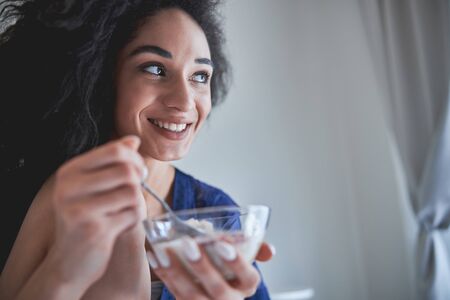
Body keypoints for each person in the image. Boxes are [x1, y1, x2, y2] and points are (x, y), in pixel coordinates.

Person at [0, 0, 275, 299]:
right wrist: (64, 271)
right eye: (155, 69)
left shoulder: (220, 215)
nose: (184, 102)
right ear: (99, 77)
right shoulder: (38, 200)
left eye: (199, 76)